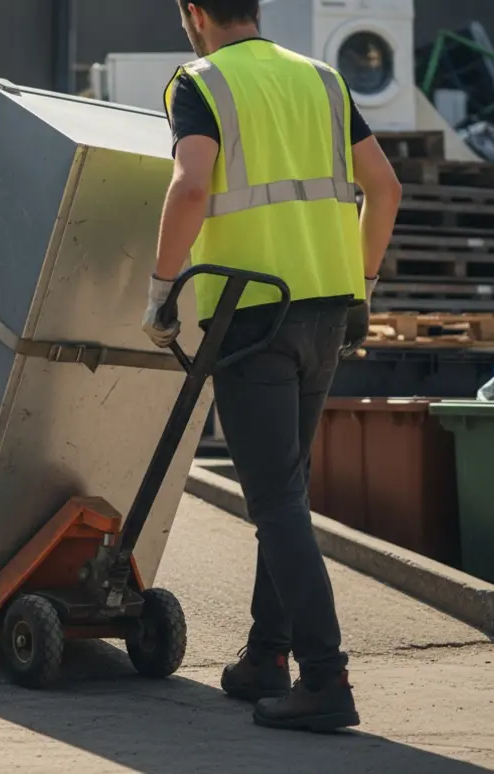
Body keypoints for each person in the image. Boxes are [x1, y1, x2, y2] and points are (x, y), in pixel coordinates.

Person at [140, 0, 402, 732]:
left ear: (194, 12)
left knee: (277, 503)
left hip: (253, 315)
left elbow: (191, 187)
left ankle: (325, 678)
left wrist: (162, 294)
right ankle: (266, 657)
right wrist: (364, 284)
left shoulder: (200, 82)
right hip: (328, 306)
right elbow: (385, 187)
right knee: (286, 488)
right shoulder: (322, 79)